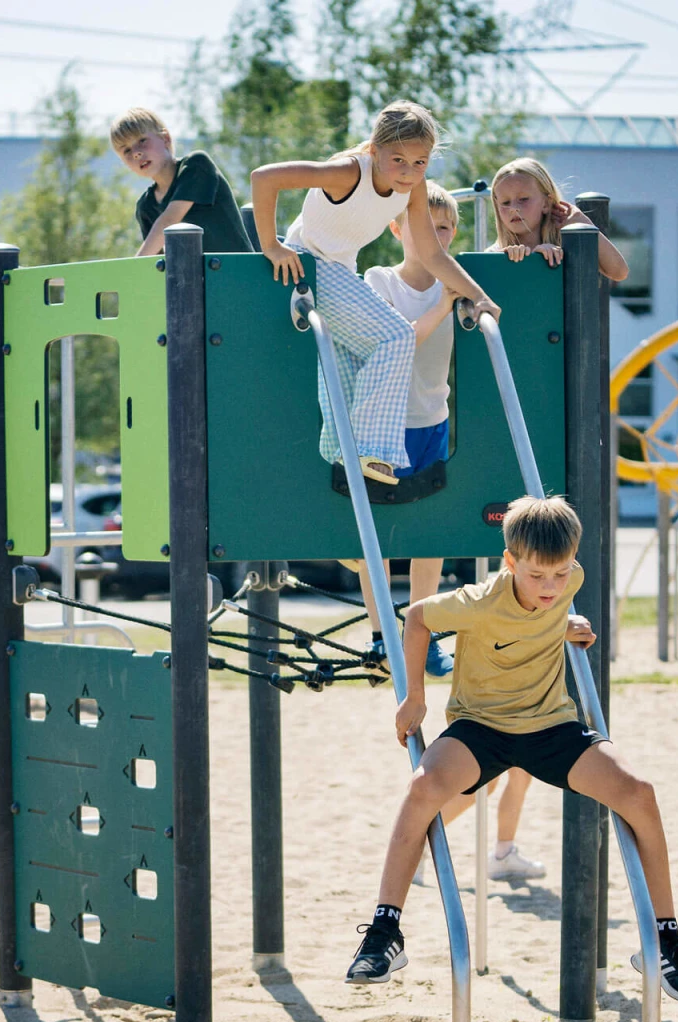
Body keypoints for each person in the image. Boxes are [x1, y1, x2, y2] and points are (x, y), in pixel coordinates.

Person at [344, 495, 678, 1004]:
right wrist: (414, 696)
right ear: (510, 562)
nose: (551, 587)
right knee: (423, 786)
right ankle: (385, 932)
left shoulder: (571, 579)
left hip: (550, 725)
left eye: (561, 575)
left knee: (639, 792)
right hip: (481, 727)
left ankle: (667, 941)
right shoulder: (476, 601)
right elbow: (417, 618)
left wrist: (564, 625)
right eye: (538, 576)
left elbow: (542, 614)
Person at [250, 101, 501, 484]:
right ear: (374, 150)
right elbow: (264, 178)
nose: (409, 171)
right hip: (310, 264)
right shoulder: (348, 173)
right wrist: (271, 245)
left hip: (338, 271)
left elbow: (432, 253)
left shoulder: (412, 191)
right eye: (398, 159)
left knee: (352, 363)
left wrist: (478, 295)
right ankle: (372, 450)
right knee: (397, 335)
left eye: (420, 162)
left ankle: (341, 452)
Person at [350, 180, 464, 680]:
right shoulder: (381, 281)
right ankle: (380, 634)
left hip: (430, 419)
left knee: (429, 534)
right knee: (375, 534)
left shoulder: (454, 278)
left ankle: (425, 629)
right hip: (382, 421)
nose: (432, 237)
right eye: (423, 227)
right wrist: (446, 303)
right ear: (398, 228)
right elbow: (399, 340)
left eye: (442, 229)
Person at [111, 107, 253, 256]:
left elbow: (169, 220)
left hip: (240, 273)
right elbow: (155, 263)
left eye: (142, 140)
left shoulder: (196, 165)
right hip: (198, 279)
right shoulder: (146, 206)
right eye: (126, 150)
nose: (136, 153)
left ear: (165, 139)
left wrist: (133, 269)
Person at [486, 158, 628, 279]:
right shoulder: (493, 255)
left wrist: (582, 221)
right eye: (505, 203)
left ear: (546, 203)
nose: (513, 208)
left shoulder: (570, 249)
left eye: (523, 199)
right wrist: (503, 262)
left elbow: (619, 272)